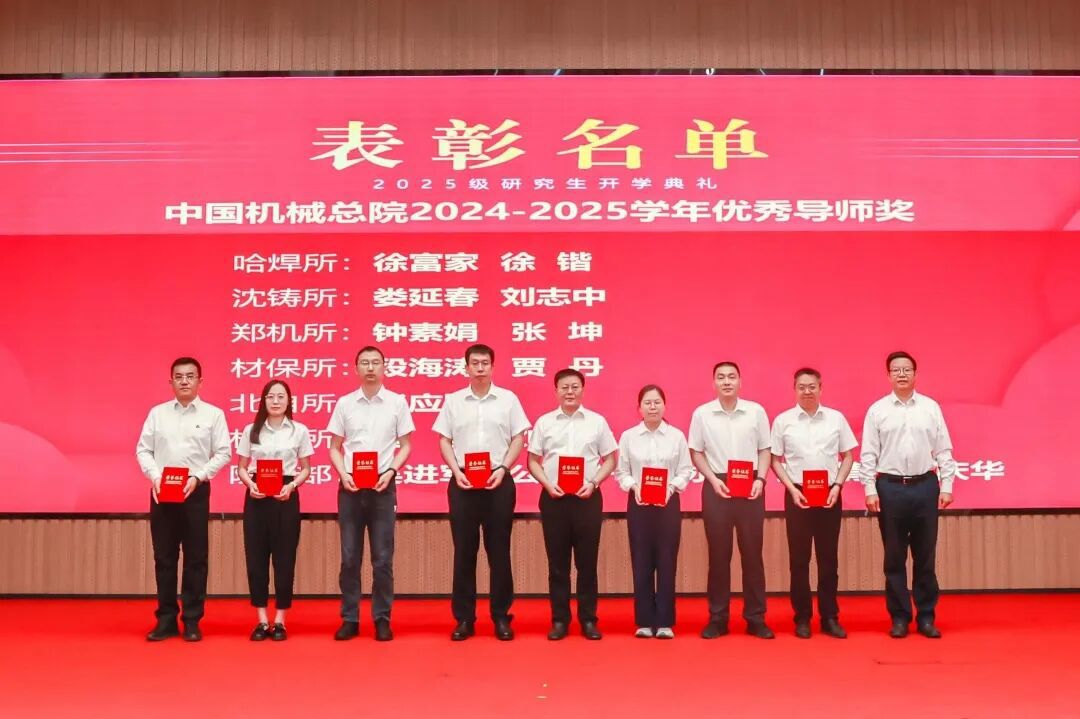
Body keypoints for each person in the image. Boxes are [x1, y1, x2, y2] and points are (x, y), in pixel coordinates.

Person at [433, 343, 530, 641]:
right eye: (474, 363)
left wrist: (503, 468)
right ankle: (464, 618)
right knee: (464, 551)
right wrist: (456, 471)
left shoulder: (508, 399)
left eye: (484, 363)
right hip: (463, 481)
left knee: (499, 551)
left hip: (498, 480)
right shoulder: (453, 401)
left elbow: (519, 437)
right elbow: (444, 439)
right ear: (466, 367)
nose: (479, 367)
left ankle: (501, 616)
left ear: (492, 366)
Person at [861, 351, 956, 639]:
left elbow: (943, 449)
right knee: (894, 557)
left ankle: (926, 616)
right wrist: (869, 489)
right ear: (888, 376)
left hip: (925, 486)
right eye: (896, 370)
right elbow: (869, 454)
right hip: (890, 488)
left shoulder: (930, 407)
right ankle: (900, 617)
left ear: (915, 374)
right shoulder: (877, 410)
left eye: (906, 369)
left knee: (925, 555)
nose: (901, 374)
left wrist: (947, 485)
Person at [136, 357, 230, 642]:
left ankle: (191, 620)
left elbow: (223, 452)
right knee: (164, 557)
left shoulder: (213, 415)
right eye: (179, 377)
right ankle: (165, 619)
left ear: (200, 381)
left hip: (195, 491)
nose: (185, 381)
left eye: (190, 376)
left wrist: (198, 476)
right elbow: (143, 450)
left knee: (196, 558)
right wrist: (155, 477)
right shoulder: (157, 414)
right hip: (162, 491)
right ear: (171, 382)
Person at [327, 345, 415, 641]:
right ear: (356, 369)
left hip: (383, 487)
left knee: (383, 558)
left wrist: (391, 471)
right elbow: (335, 447)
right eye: (364, 363)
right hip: (350, 487)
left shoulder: (397, 403)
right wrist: (343, 474)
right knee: (350, 557)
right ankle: (350, 618)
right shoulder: (345, 403)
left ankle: (382, 617)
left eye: (376, 362)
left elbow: (406, 445)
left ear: (384, 367)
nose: (370, 367)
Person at [527, 368, 617, 640]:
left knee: (587, 563)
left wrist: (594, 483)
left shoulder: (597, 422)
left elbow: (611, 459)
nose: (570, 392)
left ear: (583, 389)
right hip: (554, 499)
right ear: (556, 391)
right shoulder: (544, 422)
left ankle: (588, 620)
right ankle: (560, 620)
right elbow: (533, 461)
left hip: (587, 499)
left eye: (575, 386)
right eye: (564, 387)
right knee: (558, 564)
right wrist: (547, 484)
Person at [689, 361, 775, 639]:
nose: (727, 382)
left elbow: (765, 449)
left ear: (740, 381)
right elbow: (696, 452)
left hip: (750, 486)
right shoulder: (702, 413)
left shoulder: (755, 411)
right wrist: (713, 480)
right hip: (717, 486)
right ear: (713, 383)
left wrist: (760, 479)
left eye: (732, 377)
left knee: (752, 555)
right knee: (718, 555)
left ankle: (756, 617)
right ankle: (718, 618)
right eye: (721, 377)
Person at [770, 367, 857, 639]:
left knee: (828, 559)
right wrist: (791, 489)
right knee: (799, 560)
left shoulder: (836, 418)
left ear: (821, 388)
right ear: (794, 389)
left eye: (812, 386)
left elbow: (848, 456)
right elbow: (775, 460)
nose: (807, 391)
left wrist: (838, 485)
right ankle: (802, 617)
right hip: (797, 494)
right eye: (802, 387)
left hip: (829, 494)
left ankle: (830, 617)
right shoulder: (783, 421)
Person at [236, 379, 314, 641]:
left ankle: (280, 620)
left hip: (285, 495)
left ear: (289, 401)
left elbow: (306, 468)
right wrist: (250, 484)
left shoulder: (299, 430)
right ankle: (261, 620)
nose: (276, 401)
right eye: (271, 396)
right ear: (264, 400)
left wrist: (291, 485)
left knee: (284, 559)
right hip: (257, 495)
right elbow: (242, 467)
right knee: (256, 559)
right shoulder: (251, 430)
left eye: (281, 396)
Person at [614, 385, 693, 639]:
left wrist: (671, 488)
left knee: (667, 561)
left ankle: (665, 622)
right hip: (638, 504)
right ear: (639, 408)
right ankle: (645, 621)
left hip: (668, 504)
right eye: (647, 403)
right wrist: (633, 486)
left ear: (664, 406)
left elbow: (686, 470)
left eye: (657, 402)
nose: (652, 407)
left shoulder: (676, 436)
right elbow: (621, 471)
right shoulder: (628, 437)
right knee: (641, 561)